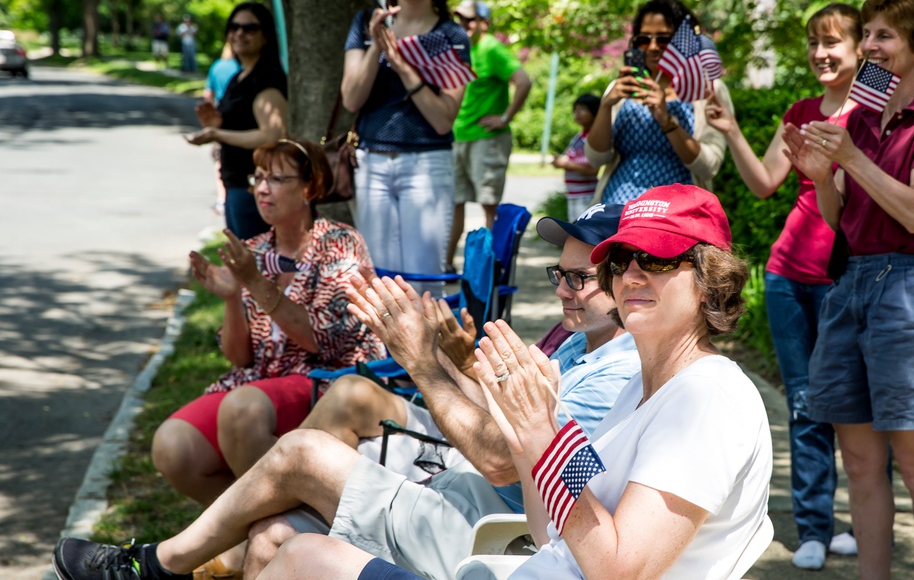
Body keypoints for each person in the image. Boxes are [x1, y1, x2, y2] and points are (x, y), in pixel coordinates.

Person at [52, 204, 642, 580]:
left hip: (492, 528)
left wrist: (419, 361)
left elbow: (504, 463)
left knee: (302, 455)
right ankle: (213, 553)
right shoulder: (578, 343)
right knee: (271, 536)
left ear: (627, 280)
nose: (564, 291)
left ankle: (158, 565)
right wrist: (456, 361)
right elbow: (510, 430)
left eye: (580, 278)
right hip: (461, 488)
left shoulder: (616, 371)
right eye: (558, 275)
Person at [223, 184, 774, 580]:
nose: (631, 274)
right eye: (621, 260)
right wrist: (527, 427)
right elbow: (552, 528)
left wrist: (540, 433)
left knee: (301, 558)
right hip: (514, 564)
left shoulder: (707, 398)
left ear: (709, 281)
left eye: (655, 260)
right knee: (291, 550)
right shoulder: (644, 390)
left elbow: (621, 570)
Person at [783, 0, 914, 579]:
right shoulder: (861, 116)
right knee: (861, 468)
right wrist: (819, 175)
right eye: (866, 34)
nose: (869, 45)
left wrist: (853, 158)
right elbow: (840, 219)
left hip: (913, 288)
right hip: (852, 284)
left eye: (883, 35)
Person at [704, 2, 863, 569]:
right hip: (786, 275)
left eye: (834, 42)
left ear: (861, 48)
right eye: (814, 42)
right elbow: (766, 181)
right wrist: (733, 131)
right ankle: (815, 526)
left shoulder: (873, 112)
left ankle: (859, 523)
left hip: (846, 274)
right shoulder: (800, 109)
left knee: (856, 407)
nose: (822, 53)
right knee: (804, 404)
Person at [151, 139, 383, 512]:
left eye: (276, 178)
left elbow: (321, 341)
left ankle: (280, 529)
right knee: (172, 446)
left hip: (328, 378)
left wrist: (255, 282)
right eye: (258, 177)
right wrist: (230, 297)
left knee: (241, 409)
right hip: (262, 382)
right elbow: (240, 357)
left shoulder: (338, 243)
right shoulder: (256, 249)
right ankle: (255, 531)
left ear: (309, 188)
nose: (261, 188)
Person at [341, 0, 471, 295]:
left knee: (422, 280)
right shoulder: (365, 23)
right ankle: (382, 355)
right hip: (372, 162)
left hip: (427, 164)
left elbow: (444, 119)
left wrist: (403, 67)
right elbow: (351, 98)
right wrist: (377, 47)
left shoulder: (451, 35)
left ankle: (422, 356)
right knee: (377, 281)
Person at [586, 0, 734, 203]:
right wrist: (605, 106)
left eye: (664, 39)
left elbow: (709, 167)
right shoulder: (621, 88)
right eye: (644, 39)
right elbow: (596, 159)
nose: (653, 47)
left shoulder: (708, 90)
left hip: (677, 213)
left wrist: (667, 121)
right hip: (616, 210)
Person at [186, 2, 288, 240]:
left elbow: (272, 135)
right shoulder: (240, 77)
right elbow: (243, 124)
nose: (239, 33)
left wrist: (217, 135)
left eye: (250, 28)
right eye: (234, 27)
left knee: (253, 265)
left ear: (265, 37)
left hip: (254, 189)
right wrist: (216, 124)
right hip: (236, 185)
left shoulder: (265, 79)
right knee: (241, 264)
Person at [445, 0, 533, 271]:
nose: (464, 25)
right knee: (453, 204)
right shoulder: (456, 48)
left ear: (482, 22)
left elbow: (523, 81)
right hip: (457, 138)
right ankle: (446, 266)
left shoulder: (491, 47)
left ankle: (489, 270)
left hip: (487, 139)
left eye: (470, 19)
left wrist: (506, 117)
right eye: (459, 18)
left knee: (488, 207)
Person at [204, 43, 242, 215]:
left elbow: (207, 95)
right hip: (240, 120)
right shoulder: (242, 68)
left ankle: (221, 199)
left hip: (221, 118)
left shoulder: (217, 66)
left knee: (220, 161)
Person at [552, 93, 601, 221]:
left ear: (595, 112)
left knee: (582, 231)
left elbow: (593, 169)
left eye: (582, 109)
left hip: (586, 194)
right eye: (576, 110)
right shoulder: (579, 136)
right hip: (574, 193)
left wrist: (565, 164)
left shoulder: (594, 138)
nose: (577, 113)